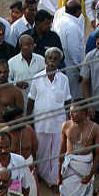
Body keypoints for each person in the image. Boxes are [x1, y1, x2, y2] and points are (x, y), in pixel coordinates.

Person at [26, 48, 71, 187]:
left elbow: (67, 101)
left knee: (57, 152)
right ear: (45, 60)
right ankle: (41, 175)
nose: (51, 61)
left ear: (59, 62)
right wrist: (28, 120)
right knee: (41, 151)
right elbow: (31, 99)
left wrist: (70, 120)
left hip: (58, 123)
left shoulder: (63, 79)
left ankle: (53, 181)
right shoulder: (37, 78)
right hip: (40, 123)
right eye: (49, 58)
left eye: (55, 59)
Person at [58, 102, 99, 196]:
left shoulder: (95, 128)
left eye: (75, 112)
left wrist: (91, 174)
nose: (71, 114)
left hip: (86, 168)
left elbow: (98, 154)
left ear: (84, 112)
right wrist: (58, 176)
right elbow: (61, 153)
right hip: (68, 168)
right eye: (70, 112)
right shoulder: (66, 125)